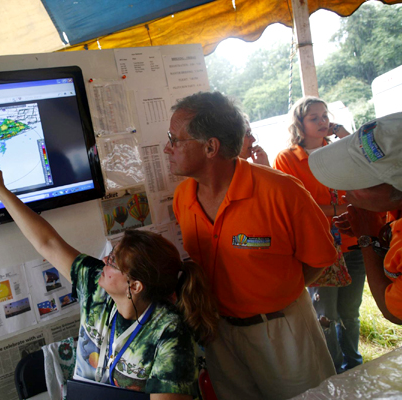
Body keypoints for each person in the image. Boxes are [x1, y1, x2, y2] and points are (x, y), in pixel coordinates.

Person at [0, 147, 219, 399]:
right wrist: (1, 192)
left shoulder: (169, 333)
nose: (103, 259)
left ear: (135, 286)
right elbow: (47, 242)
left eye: (113, 262)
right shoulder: (97, 287)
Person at [164, 91, 337, 400]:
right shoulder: (183, 198)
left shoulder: (281, 191)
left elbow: (319, 259)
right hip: (220, 334)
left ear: (210, 147)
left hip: (283, 331)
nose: (167, 148)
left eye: (174, 139)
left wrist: (277, 296)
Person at [273, 96, 365, 373]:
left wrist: (343, 133)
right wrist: (339, 207)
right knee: (326, 315)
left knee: (351, 311)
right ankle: (333, 371)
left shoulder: (337, 149)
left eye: (325, 116)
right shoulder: (287, 158)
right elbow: (297, 206)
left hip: (352, 243)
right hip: (319, 248)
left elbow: (364, 159)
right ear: (299, 123)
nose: (323, 121)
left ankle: (355, 367)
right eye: (315, 117)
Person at [309, 112, 402, 325]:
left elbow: (394, 312)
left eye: (356, 179)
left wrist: (367, 237)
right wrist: (381, 231)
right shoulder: (395, 208)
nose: (344, 191)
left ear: (393, 187)